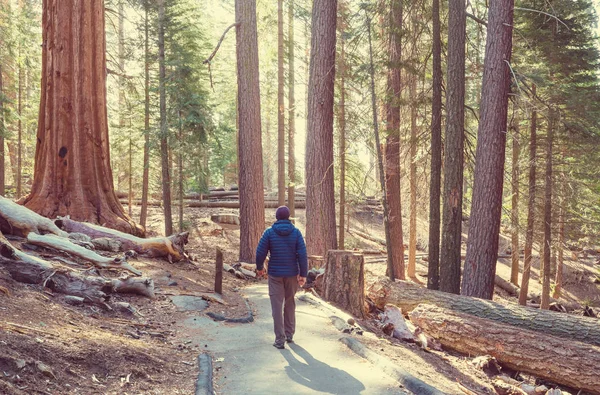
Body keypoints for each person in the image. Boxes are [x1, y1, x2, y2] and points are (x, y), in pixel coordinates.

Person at [256, 206, 308, 349]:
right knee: (290, 303)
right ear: (288, 217)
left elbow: (260, 252)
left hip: (275, 274)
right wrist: (303, 274)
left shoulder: (269, 232)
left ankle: (280, 340)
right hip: (292, 274)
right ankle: (289, 334)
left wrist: (260, 268)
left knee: (277, 306)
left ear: (277, 217)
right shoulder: (296, 233)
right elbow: (302, 255)